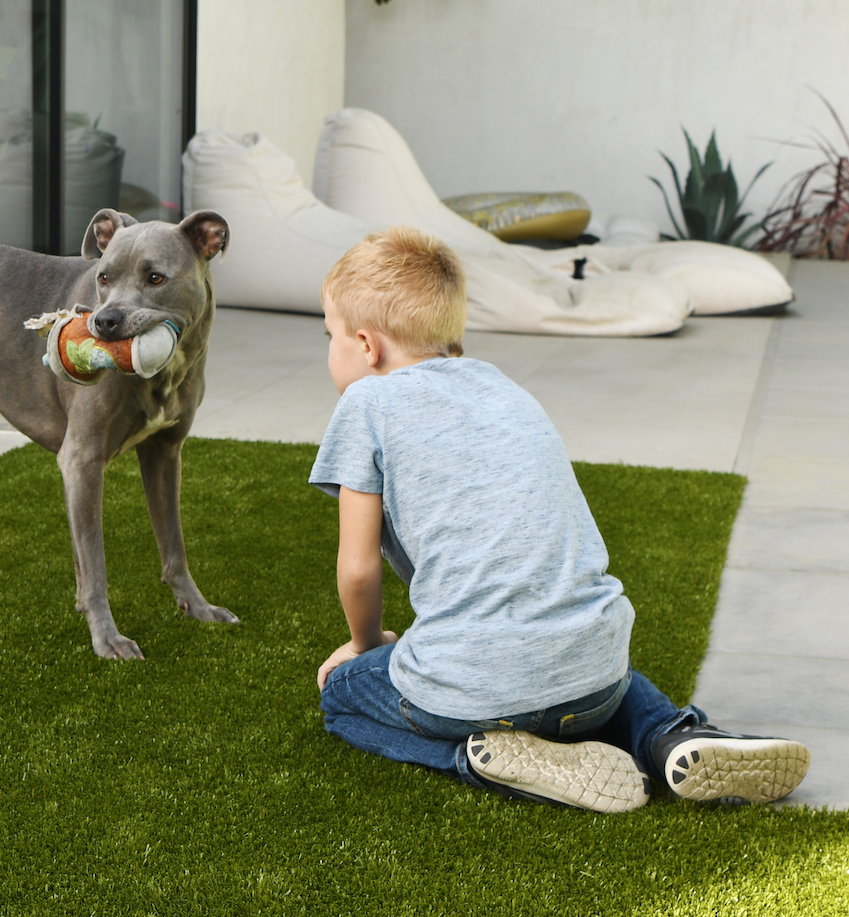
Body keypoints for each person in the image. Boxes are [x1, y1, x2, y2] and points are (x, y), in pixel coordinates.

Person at [309, 227, 809, 812]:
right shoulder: (504, 388)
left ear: (367, 346)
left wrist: (369, 646)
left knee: (341, 696)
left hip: (474, 690)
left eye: (329, 335)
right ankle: (674, 735)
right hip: (596, 677)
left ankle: (475, 757)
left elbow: (359, 568)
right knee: (583, 643)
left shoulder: (366, 404)